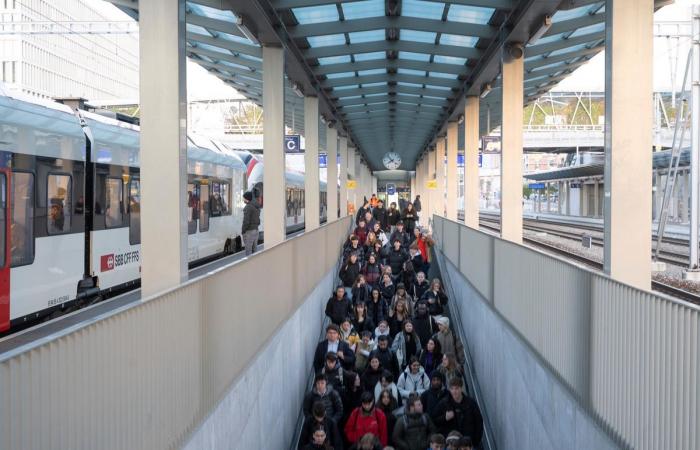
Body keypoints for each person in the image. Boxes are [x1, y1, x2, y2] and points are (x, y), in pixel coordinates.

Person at [431, 378, 483, 446]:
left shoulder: (471, 403)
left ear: (461, 388)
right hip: (451, 444)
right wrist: (444, 418)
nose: (454, 391)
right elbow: (433, 420)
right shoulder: (444, 403)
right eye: (452, 389)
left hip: (467, 443)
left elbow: (479, 423)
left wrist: (475, 442)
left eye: (456, 388)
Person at [241, 191, 260, 256]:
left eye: (244, 198)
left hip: (249, 231)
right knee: (254, 250)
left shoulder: (248, 207)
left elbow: (246, 221)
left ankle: (249, 265)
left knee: (248, 251)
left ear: (247, 198)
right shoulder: (256, 206)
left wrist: (243, 231)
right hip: (256, 230)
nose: (243, 199)